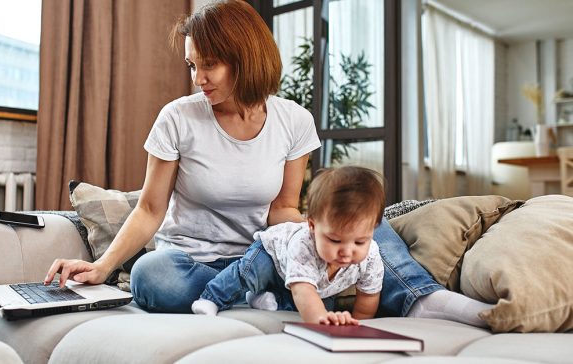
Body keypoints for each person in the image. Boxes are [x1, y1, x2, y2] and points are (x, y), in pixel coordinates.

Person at [43, 0, 494, 328]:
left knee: (362, 219)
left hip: (267, 256)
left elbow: (283, 208)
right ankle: (261, 297)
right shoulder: (178, 117)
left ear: (245, 59)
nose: (198, 79)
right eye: (191, 65)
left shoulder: (293, 120)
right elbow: (149, 210)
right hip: (195, 263)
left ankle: (423, 298)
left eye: (210, 65)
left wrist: (314, 235)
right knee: (150, 276)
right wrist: (103, 268)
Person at [191, 167, 385, 326]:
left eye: (360, 242)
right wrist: (319, 321)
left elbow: (368, 297)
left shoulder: (371, 257)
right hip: (272, 255)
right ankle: (211, 298)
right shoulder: (303, 245)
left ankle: (266, 299)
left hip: (312, 285)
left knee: (321, 304)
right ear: (312, 226)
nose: (347, 251)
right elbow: (303, 291)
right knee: (250, 272)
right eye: (335, 240)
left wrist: (359, 324)